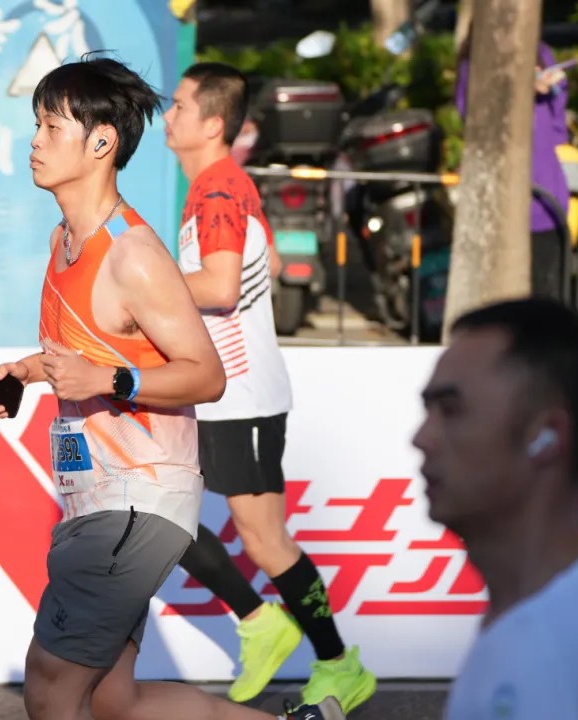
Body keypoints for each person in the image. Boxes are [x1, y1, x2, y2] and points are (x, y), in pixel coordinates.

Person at [0, 56, 346, 720]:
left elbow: (206, 373)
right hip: (96, 495)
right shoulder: (65, 240)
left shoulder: (134, 255)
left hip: (135, 497)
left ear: (101, 142)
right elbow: (89, 347)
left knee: (51, 687)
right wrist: (26, 373)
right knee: (114, 699)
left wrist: (109, 380)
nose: (34, 141)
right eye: (36, 125)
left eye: (51, 127)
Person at [162, 61, 376, 714]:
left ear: (212, 124)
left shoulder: (218, 191)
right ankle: (261, 622)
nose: (167, 116)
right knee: (164, 514)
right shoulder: (223, 186)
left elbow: (221, 286)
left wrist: (141, 291)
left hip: (242, 396)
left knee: (264, 539)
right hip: (214, 390)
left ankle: (337, 664)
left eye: (179, 106)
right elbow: (273, 263)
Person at [412, 297, 578, 719]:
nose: (421, 438)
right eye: (428, 410)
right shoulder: (517, 623)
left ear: (547, 437)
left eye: (452, 410)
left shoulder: (577, 641)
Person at [456, 33, 570, 300]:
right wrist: (523, 89)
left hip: (546, 196)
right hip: (500, 201)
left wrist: (556, 86)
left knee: (547, 291)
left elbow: (557, 127)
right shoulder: (476, 61)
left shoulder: (541, 52)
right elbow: (473, 115)